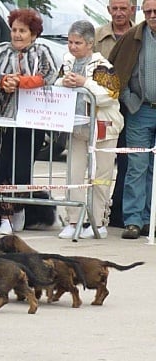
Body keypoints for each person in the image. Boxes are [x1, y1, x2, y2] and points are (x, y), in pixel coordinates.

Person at [0, 8, 58, 235]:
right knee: (0, 167)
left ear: (33, 33)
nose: (17, 35)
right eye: (14, 30)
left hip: (29, 122)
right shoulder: (1, 49)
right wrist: (4, 81)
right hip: (0, 121)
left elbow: (50, 74)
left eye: (22, 31)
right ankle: (4, 215)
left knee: (21, 168)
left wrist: (24, 82)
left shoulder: (42, 51)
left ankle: (19, 209)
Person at [55, 20, 123, 239]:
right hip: (76, 128)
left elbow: (110, 94)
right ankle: (73, 219)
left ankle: (98, 221)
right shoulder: (66, 61)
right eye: (70, 42)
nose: (73, 47)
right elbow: (54, 84)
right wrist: (62, 83)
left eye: (78, 43)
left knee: (100, 177)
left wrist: (85, 82)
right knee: (73, 174)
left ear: (90, 44)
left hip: (103, 129)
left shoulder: (103, 65)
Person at [109, 0, 156, 239]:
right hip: (141, 110)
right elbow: (115, 71)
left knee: (154, 170)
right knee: (137, 166)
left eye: (155, 11)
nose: (152, 15)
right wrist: (128, 100)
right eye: (147, 11)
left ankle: (151, 219)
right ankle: (134, 221)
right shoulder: (132, 37)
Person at [94, 0, 136, 228]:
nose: (118, 13)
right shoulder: (98, 35)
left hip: (131, 108)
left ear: (132, 10)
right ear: (109, 9)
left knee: (129, 162)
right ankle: (97, 213)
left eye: (123, 8)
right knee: (103, 163)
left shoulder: (141, 33)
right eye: (114, 8)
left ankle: (120, 211)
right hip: (104, 109)